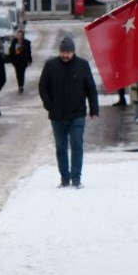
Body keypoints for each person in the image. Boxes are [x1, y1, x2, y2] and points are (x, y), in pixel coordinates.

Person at [38, 35, 99, 187]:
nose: (65, 55)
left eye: (68, 52)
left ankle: (76, 178)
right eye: (63, 52)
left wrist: (94, 109)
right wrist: (48, 105)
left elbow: (91, 88)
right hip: (57, 115)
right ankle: (65, 179)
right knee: (61, 147)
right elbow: (42, 86)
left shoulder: (82, 65)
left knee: (77, 144)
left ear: (73, 52)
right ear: (59, 51)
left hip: (77, 113)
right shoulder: (50, 65)